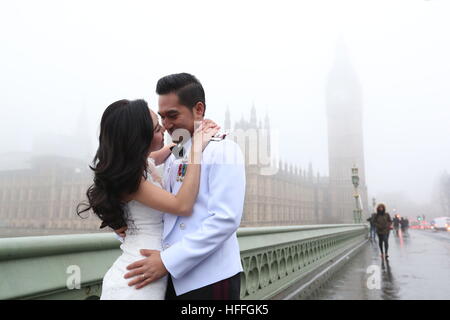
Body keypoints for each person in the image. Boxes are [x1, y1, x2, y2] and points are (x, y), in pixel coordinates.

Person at [118, 73, 246, 300]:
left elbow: (225, 220)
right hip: (166, 278)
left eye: (172, 116)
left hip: (208, 278)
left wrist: (168, 261)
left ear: (198, 109)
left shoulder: (223, 150)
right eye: (162, 117)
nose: (166, 125)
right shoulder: (175, 152)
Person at [77, 99, 220, 299]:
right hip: (139, 278)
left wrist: (195, 133)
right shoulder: (133, 182)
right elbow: (183, 204)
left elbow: (167, 153)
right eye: (156, 129)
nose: (164, 129)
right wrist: (196, 150)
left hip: (141, 268)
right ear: (140, 138)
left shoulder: (142, 163)